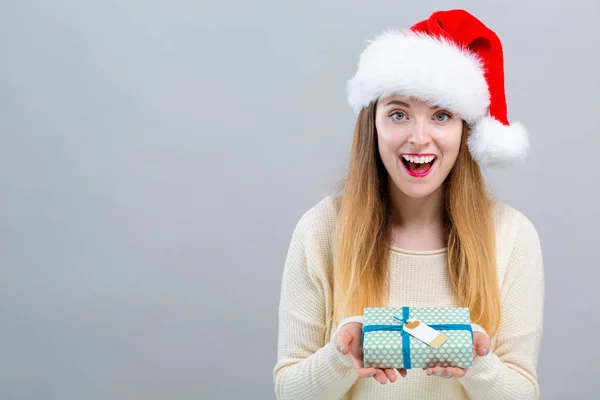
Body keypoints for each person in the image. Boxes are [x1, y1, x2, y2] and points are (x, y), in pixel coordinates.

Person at [273, 9, 544, 400]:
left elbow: (524, 393)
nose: (419, 138)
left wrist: (479, 362)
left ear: (465, 130)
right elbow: (289, 391)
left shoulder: (511, 235)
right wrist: (341, 355)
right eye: (398, 113)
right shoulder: (321, 228)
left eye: (441, 115)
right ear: (373, 123)